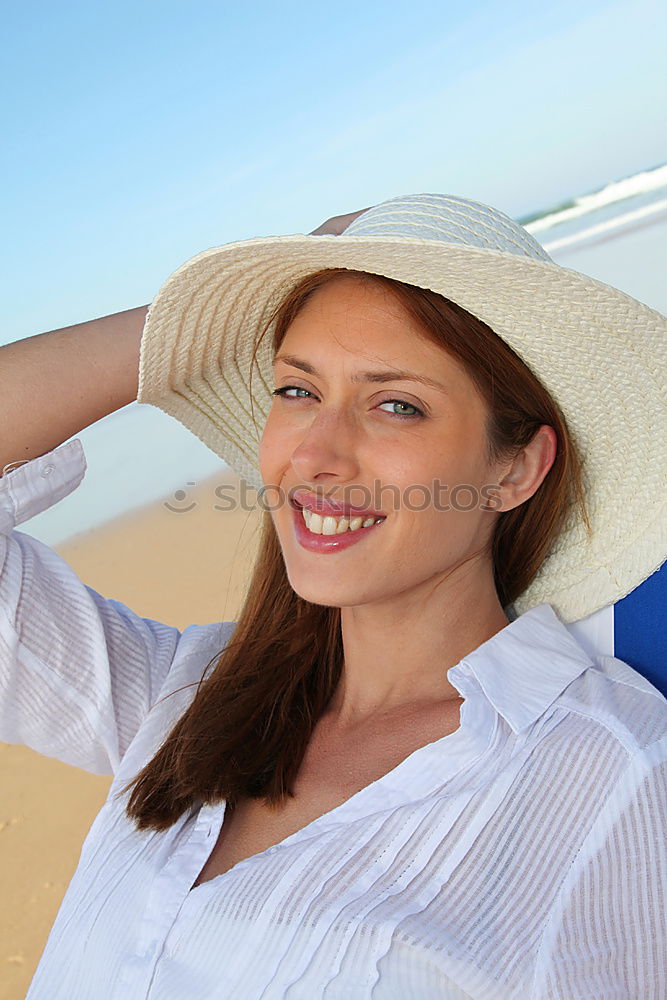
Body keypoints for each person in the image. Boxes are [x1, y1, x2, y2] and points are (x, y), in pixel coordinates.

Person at [1, 193, 665, 999]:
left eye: (396, 405)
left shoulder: (617, 775)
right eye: (295, 391)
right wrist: (187, 323)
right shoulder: (181, 697)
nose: (315, 454)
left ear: (513, 468)